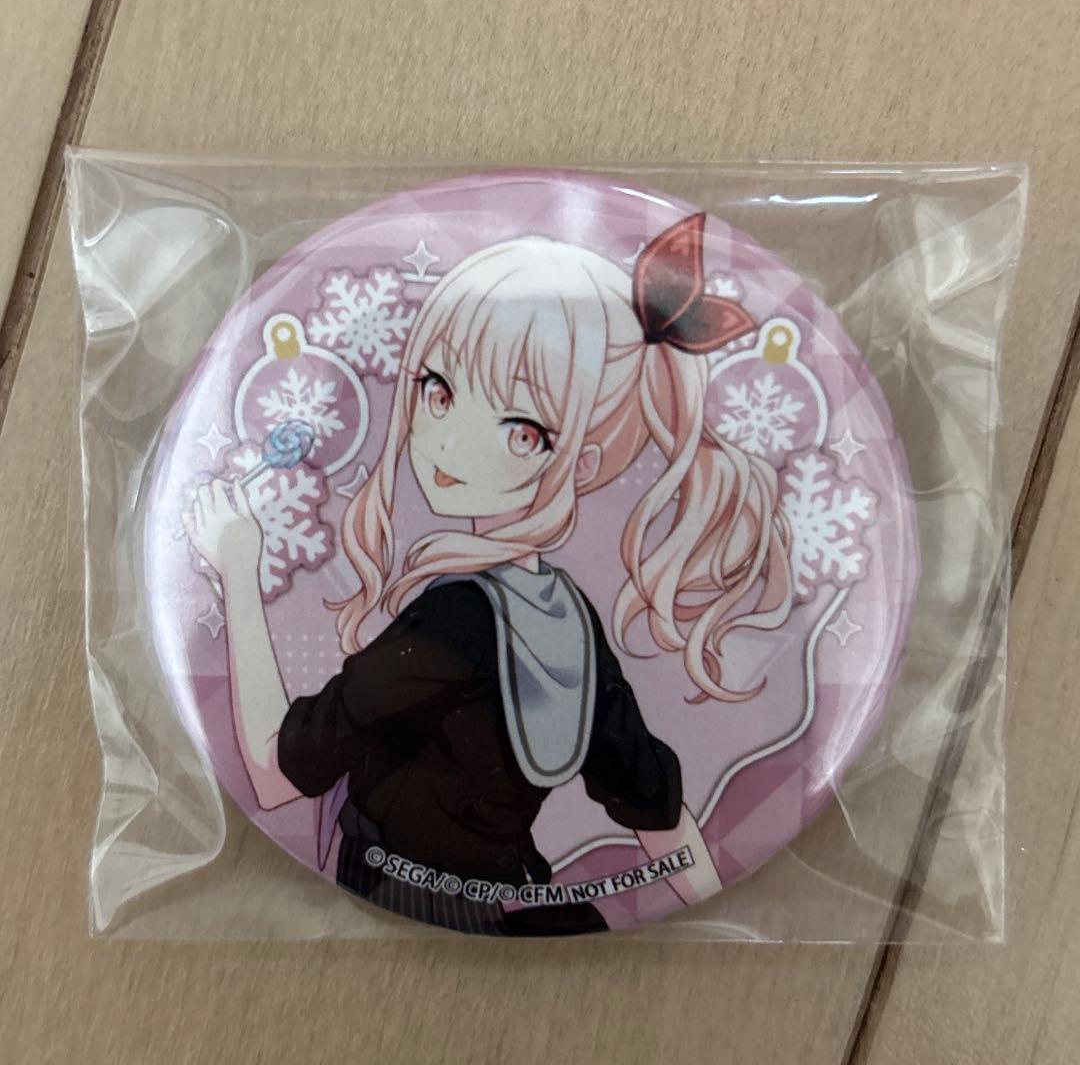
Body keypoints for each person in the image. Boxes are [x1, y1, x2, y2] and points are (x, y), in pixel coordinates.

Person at [185, 214, 793, 934]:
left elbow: (272, 772)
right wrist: (728, 920)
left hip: (415, 903)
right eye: (440, 392)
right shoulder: (566, 614)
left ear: (581, 465)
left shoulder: (456, 621)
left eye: (521, 430)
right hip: (505, 898)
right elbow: (661, 820)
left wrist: (238, 568)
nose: (449, 442)